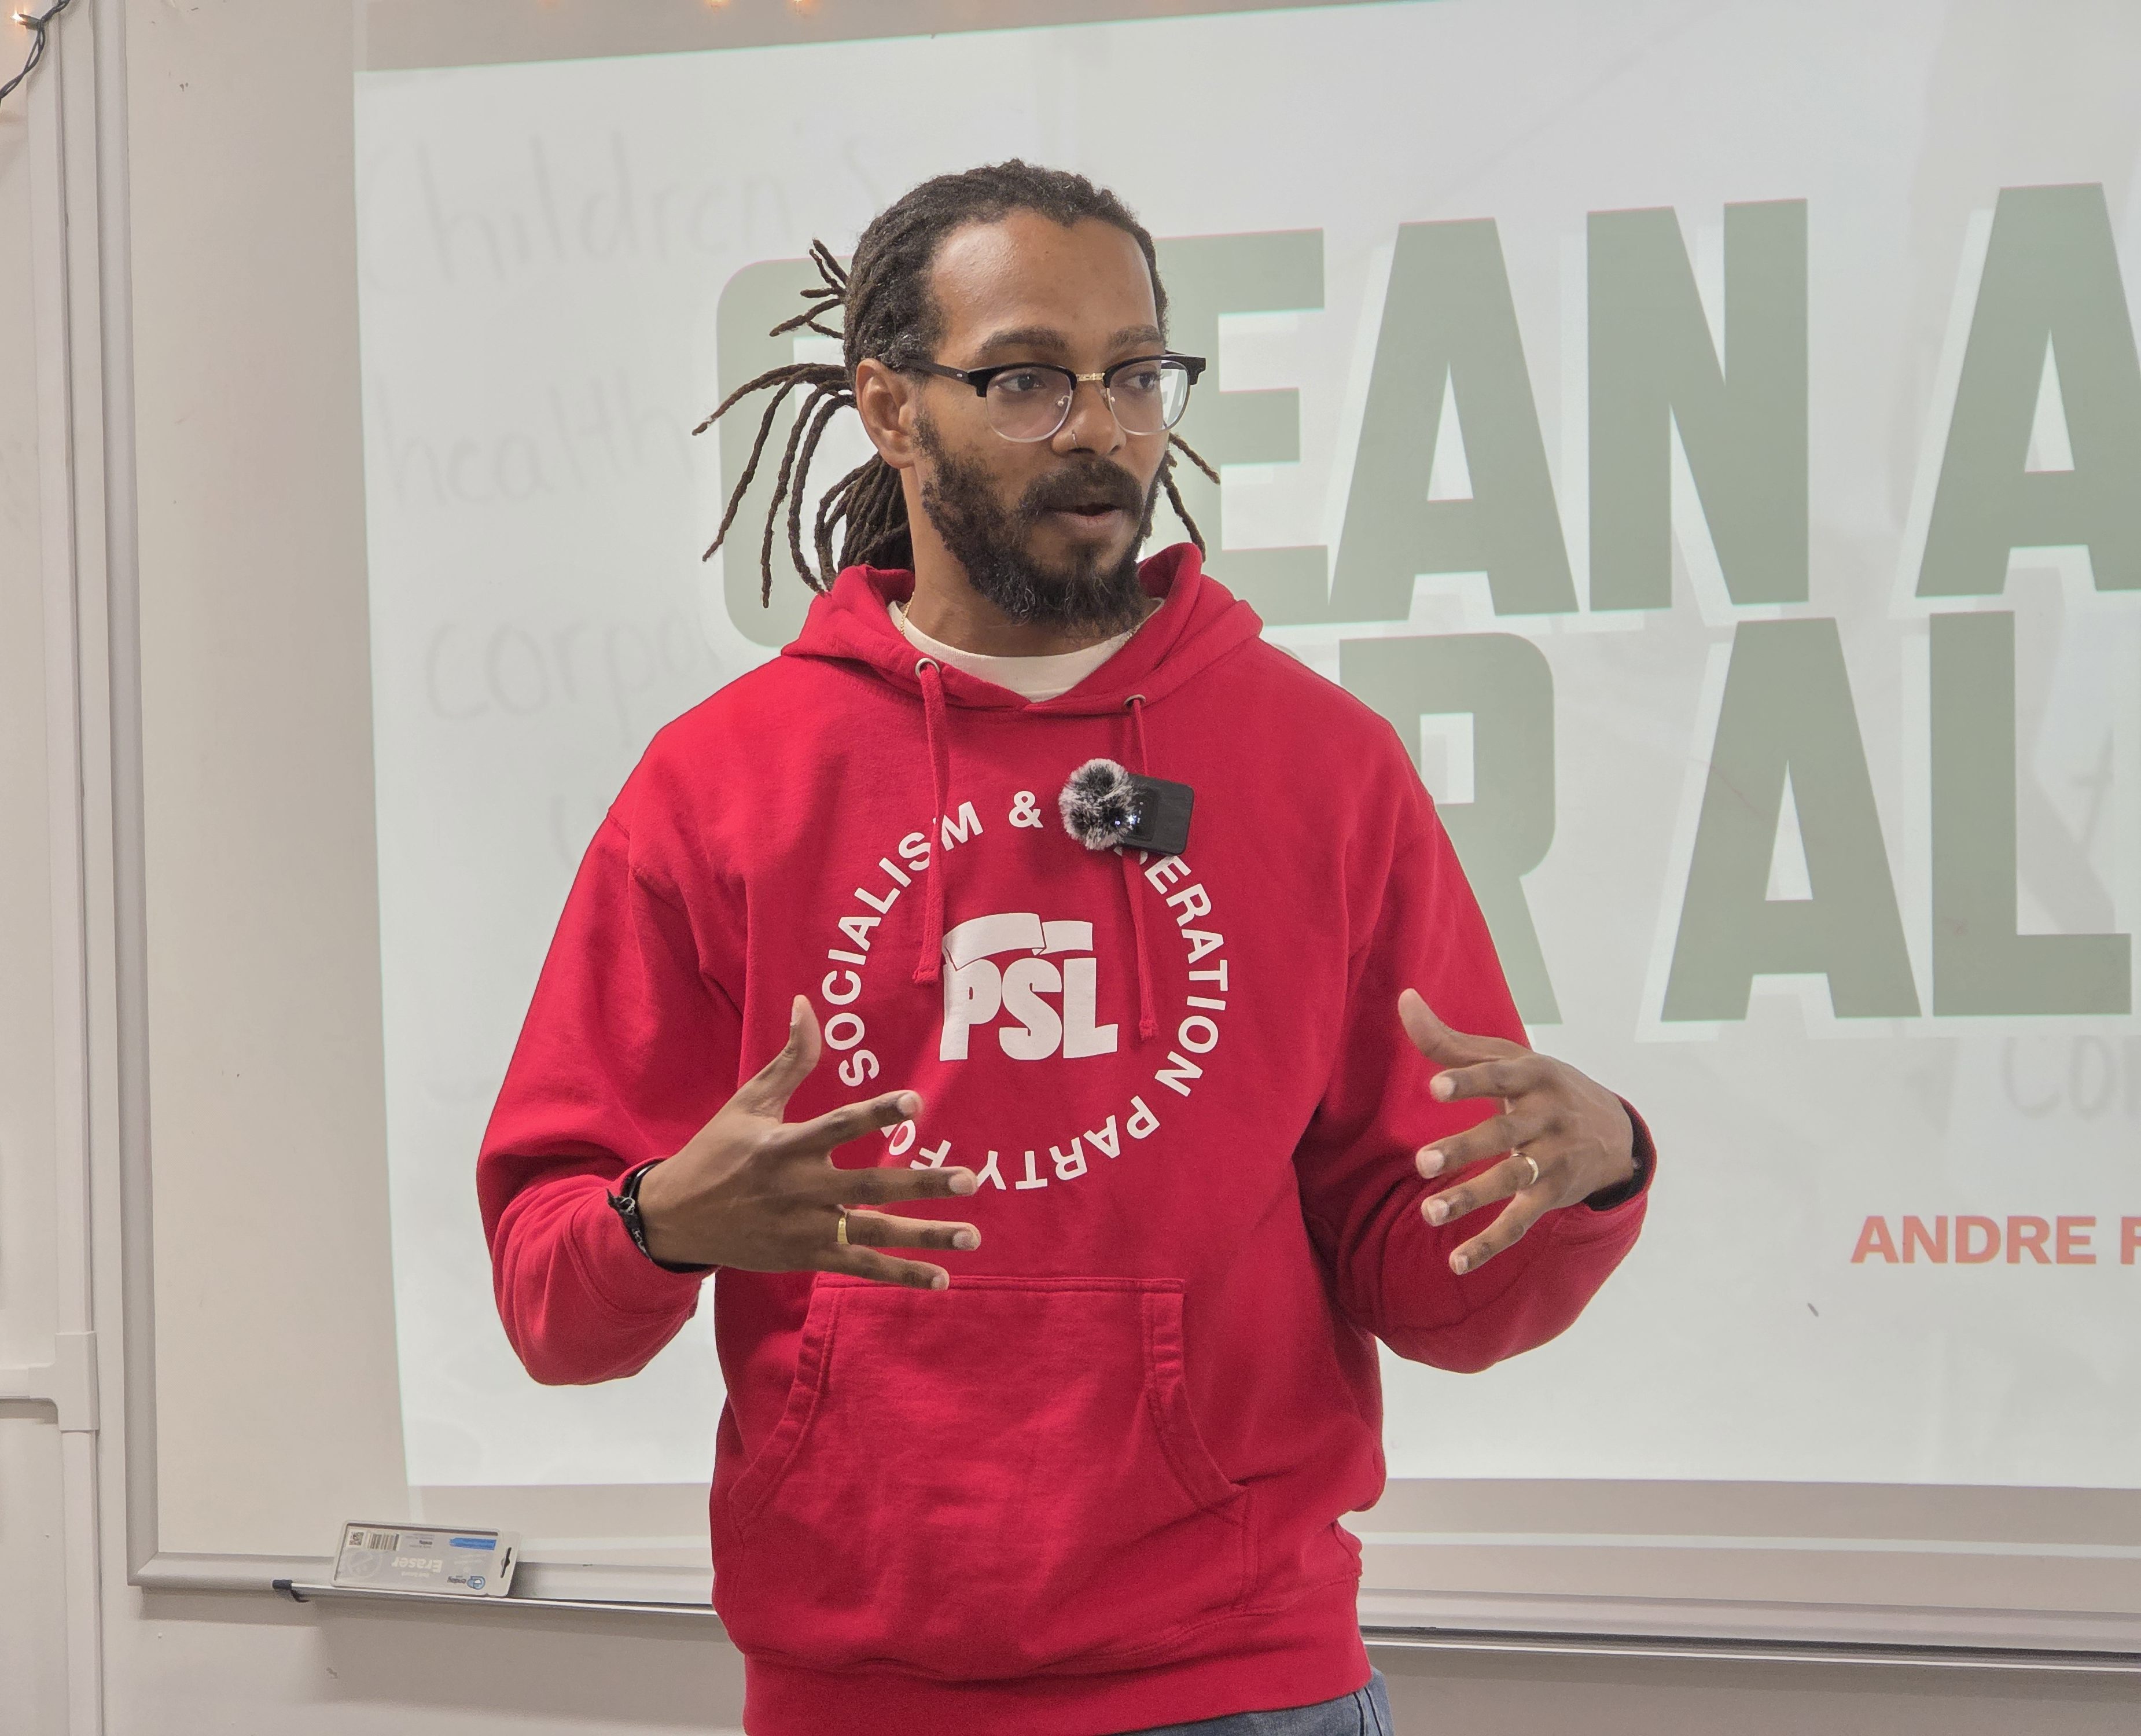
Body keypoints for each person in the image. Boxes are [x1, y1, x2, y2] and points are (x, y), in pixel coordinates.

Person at [477, 161, 1653, 1736]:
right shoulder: (722, 784)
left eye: (1134, 375)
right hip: (861, 1693)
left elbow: (1435, 1294)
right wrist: (661, 1223)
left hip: (1246, 1688)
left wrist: (1583, 1181)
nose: (1100, 428)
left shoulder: (1320, 767)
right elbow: (551, 1300)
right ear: (890, 409)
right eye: (1026, 378)